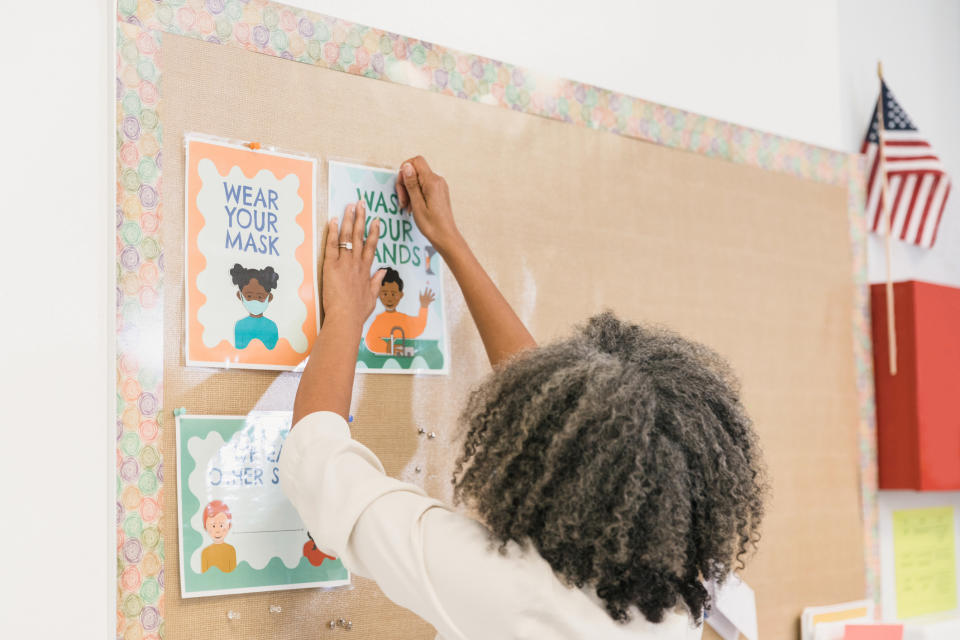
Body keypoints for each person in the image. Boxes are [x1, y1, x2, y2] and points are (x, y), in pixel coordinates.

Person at [281, 157, 766, 639]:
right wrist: (450, 241)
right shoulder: (671, 600)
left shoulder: (507, 589)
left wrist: (344, 312)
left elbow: (319, 465)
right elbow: (553, 411)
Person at [364, 267, 435, 354]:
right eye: (385, 293)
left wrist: (424, 307)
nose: (389, 298)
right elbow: (370, 341)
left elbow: (418, 328)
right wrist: (388, 348)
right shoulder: (379, 320)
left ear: (401, 295)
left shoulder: (403, 319)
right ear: (378, 293)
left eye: (393, 294)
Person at [230, 264, 280, 350]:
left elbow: (275, 352)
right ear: (240, 296)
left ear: (270, 297)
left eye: (260, 297)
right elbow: (239, 350)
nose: (254, 301)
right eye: (249, 296)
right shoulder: (240, 325)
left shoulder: (272, 326)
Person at [200, 500, 237, 573]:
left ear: (229, 526)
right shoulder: (205, 553)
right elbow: (204, 576)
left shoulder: (231, 550)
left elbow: (233, 574)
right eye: (213, 526)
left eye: (221, 525)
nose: (217, 530)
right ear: (205, 527)